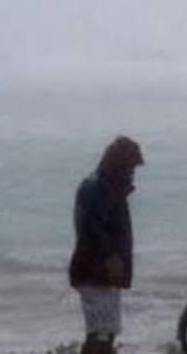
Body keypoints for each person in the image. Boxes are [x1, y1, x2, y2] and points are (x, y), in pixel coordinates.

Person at [69, 137, 144, 354]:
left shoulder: (109, 188)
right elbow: (91, 228)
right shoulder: (98, 188)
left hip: (103, 271)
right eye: (130, 167)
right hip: (95, 270)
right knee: (100, 332)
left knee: (107, 330)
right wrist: (110, 257)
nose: (132, 173)